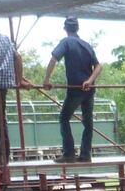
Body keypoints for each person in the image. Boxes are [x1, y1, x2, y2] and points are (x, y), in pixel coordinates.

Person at [43, 17, 101, 163]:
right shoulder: (86, 45)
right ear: (78, 28)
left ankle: (69, 153)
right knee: (88, 122)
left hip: (75, 89)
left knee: (64, 118)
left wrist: (47, 80)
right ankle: (85, 155)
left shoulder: (66, 42)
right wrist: (90, 80)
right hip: (89, 89)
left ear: (65, 29)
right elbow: (98, 66)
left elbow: (53, 59)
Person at [0, 8, 27, 165]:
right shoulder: (5, 38)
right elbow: (18, 57)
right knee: (0, 119)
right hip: (3, 84)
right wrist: (19, 80)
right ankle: (4, 155)